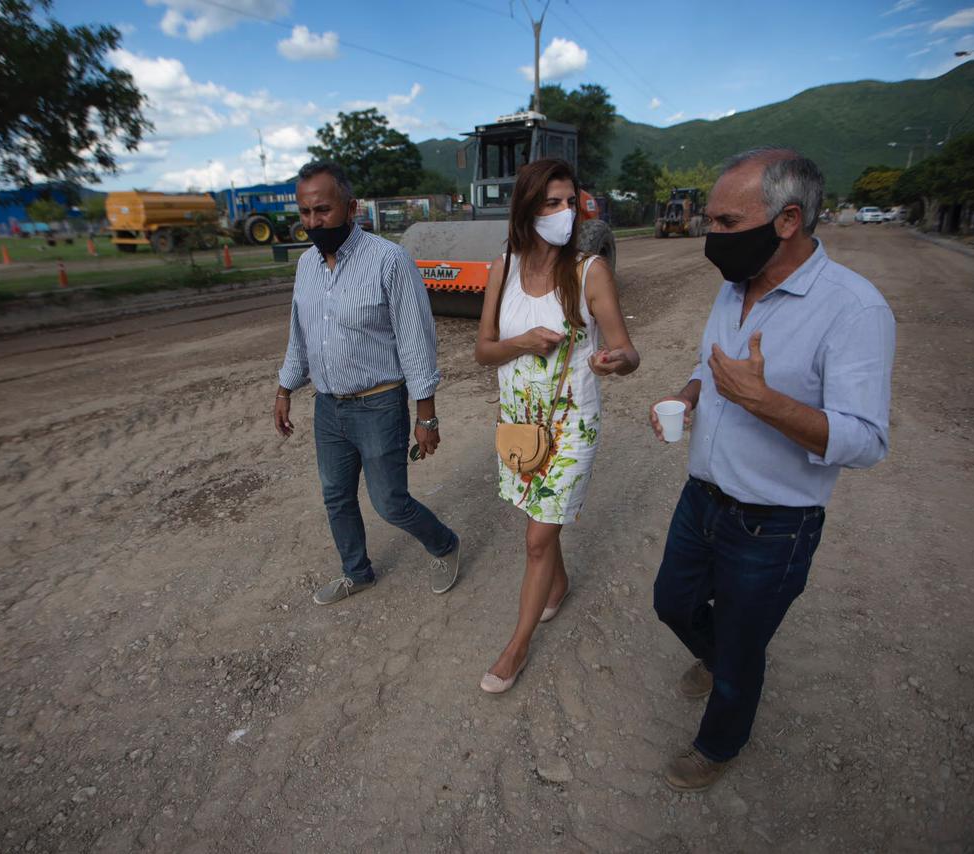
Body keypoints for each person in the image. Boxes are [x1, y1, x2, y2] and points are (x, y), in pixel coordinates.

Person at [649, 147, 895, 791]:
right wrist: (690, 394)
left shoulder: (854, 309)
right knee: (671, 604)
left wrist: (766, 402)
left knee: (740, 651)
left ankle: (718, 744)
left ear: (788, 220)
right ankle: (714, 654)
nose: (712, 237)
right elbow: (712, 365)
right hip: (701, 496)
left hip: (773, 524)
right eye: (710, 221)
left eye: (726, 223)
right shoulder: (734, 288)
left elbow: (866, 440)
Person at [474, 158, 640, 693]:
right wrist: (523, 342)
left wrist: (613, 361)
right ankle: (558, 585)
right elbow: (482, 352)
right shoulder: (504, 266)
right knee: (541, 517)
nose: (566, 214)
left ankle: (515, 648)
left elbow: (627, 351)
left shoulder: (589, 271)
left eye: (571, 202)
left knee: (537, 536)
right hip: (521, 419)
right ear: (526, 208)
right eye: (552, 203)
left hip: (571, 423)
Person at [274, 161, 463, 606]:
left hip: (379, 406)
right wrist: (285, 389)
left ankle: (445, 544)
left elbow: (416, 340)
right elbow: (300, 337)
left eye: (323, 210)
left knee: (390, 503)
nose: (313, 222)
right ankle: (356, 572)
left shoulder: (388, 260)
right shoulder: (306, 267)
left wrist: (426, 417)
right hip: (328, 408)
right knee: (336, 498)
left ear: (351, 207)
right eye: (305, 213)